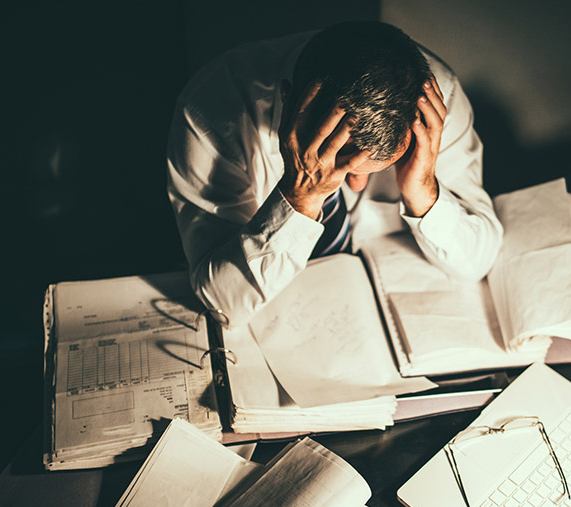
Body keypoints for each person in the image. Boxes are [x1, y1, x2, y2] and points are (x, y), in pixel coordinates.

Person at [167, 21, 502, 324]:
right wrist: (299, 200)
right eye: (340, 167)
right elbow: (223, 305)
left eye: (374, 171)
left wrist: (424, 192)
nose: (354, 186)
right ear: (288, 101)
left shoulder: (433, 99)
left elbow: (476, 263)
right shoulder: (211, 111)